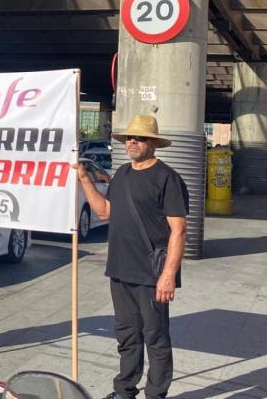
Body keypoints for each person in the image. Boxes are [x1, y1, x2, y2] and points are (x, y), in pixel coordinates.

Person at [75, 114, 188, 399]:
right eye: (129, 138)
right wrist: (84, 180)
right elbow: (104, 212)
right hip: (120, 270)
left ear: (154, 144)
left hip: (151, 275)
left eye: (140, 138)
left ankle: (155, 395)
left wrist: (168, 276)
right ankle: (124, 391)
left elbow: (179, 231)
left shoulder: (167, 179)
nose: (132, 142)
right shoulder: (123, 174)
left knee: (156, 338)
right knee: (127, 336)